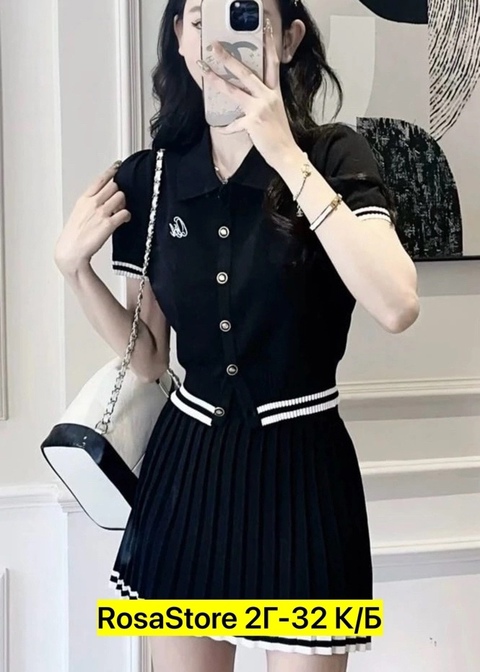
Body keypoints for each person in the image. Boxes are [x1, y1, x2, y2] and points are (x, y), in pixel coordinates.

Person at [54, 0, 420, 670]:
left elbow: (397, 305)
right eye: (200, 19)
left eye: (245, 17)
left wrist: (284, 153)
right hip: (184, 481)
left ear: (290, 39)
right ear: (179, 38)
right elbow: (149, 358)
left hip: (304, 480)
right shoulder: (150, 178)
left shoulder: (334, 154)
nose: (219, 41)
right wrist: (75, 272)